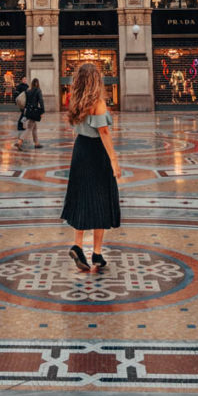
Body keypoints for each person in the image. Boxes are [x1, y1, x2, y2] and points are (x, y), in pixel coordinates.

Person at [61, 62, 121, 272]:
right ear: (96, 79)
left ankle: (79, 246)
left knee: (81, 197)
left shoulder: (75, 100)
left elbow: (77, 127)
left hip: (80, 150)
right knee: (101, 199)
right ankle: (96, 251)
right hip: (96, 153)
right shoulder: (98, 102)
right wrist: (114, 160)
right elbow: (103, 133)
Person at [16, 77, 45, 150]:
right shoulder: (38, 91)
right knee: (29, 128)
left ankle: (36, 143)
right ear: (38, 84)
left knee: (34, 127)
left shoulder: (28, 91)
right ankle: (19, 141)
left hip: (28, 110)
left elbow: (26, 101)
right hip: (34, 111)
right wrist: (42, 111)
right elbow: (41, 101)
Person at [12, 74, 29, 139]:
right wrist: (16, 101)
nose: (25, 80)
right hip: (21, 103)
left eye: (25, 79)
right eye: (24, 79)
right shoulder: (19, 86)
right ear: (21, 80)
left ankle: (20, 125)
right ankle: (19, 126)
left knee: (24, 114)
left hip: (26, 102)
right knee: (24, 114)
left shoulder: (27, 86)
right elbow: (16, 95)